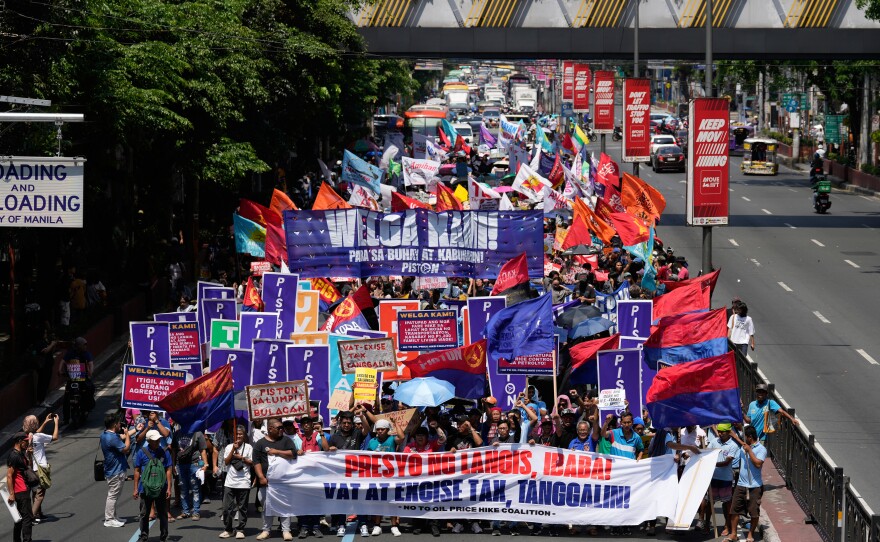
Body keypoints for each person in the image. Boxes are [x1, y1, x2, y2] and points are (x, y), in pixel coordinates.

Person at [254, 418, 298, 541]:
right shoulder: (260, 443)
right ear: (270, 429)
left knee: (284, 506)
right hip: (266, 483)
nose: (281, 430)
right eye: (278, 428)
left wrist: (277, 452)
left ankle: (286, 530)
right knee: (267, 507)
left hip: (283, 482)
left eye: (281, 428)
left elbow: (293, 454)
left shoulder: (286, 440)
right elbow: (256, 462)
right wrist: (261, 477)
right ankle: (266, 530)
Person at [327, 411, 368, 537]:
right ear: (340, 423)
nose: (346, 425)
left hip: (356, 473)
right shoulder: (334, 437)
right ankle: (341, 524)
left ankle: (363, 524)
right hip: (340, 474)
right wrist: (331, 449)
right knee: (341, 499)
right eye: (344, 422)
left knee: (360, 499)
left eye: (349, 423)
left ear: (352, 424)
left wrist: (362, 416)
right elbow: (327, 455)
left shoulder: (357, 433)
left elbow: (367, 429)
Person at [726, 426, 766, 542]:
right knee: (734, 510)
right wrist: (734, 437)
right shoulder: (744, 447)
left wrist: (749, 451)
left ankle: (750, 534)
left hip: (754, 486)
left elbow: (758, 464)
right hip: (741, 485)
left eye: (745, 438)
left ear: (750, 437)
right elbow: (743, 444)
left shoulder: (761, 449)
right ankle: (733, 534)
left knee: (754, 512)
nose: (744, 440)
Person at [699, 423, 740, 534]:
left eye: (723, 432)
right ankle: (707, 525)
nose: (720, 434)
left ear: (728, 432)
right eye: (719, 432)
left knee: (727, 503)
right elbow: (706, 454)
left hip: (725, 479)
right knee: (709, 503)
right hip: (713, 477)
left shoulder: (733, 445)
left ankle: (727, 526)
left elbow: (727, 462)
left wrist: (712, 463)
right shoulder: (714, 442)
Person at [133, 430, 172, 542]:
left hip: (161, 488)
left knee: (163, 513)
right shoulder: (141, 453)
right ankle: (144, 536)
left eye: (158, 439)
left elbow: (168, 470)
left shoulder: (165, 452)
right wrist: (135, 489)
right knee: (144, 514)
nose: (158, 441)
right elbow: (137, 470)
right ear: (149, 441)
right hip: (145, 489)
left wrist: (169, 488)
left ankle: (163, 536)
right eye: (155, 440)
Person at [24, 413, 59, 522]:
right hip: (41, 468)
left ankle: (39, 513)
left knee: (35, 491)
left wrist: (45, 422)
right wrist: (56, 422)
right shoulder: (39, 436)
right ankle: (32, 517)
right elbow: (55, 437)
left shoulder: (28, 436)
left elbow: (36, 433)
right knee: (40, 494)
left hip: (32, 468)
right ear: (35, 424)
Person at [219, 425, 253, 539]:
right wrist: (233, 449)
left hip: (244, 482)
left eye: (240, 434)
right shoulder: (229, 447)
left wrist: (241, 457)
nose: (238, 436)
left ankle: (240, 529)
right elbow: (227, 462)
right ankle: (228, 529)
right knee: (226, 508)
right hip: (230, 482)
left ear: (244, 435)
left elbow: (251, 462)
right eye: (236, 434)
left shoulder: (248, 447)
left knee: (242, 508)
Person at [297, 417, 328, 539]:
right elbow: (294, 452)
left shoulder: (318, 436)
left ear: (312, 424)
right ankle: (304, 527)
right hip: (303, 476)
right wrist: (297, 451)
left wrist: (321, 432)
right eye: (303, 423)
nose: (306, 425)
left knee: (316, 501)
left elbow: (325, 448)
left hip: (317, 475)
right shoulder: (299, 438)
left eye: (308, 423)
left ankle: (316, 527)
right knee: (304, 502)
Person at [101, 412, 131, 528]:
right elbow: (126, 448)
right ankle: (109, 519)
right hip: (115, 471)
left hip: (112, 470)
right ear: (114, 425)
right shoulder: (112, 438)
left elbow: (121, 437)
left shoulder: (105, 434)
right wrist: (128, 435)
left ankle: (113, 516)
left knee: (114, 495)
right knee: (113, 495)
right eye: (118, 423)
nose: (120, 425)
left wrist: (134, 431)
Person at [171, 428, 208, 520]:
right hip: (180, 464)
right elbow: (174, 451)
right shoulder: (177, 434)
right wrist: (173, 464)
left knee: (195, 488)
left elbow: (203, 450)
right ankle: (185, 511)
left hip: (194, 463)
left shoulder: (198, 433)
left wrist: (205, 464)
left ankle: (196, 512)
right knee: (183, 488)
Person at [59, 336, 95, 425]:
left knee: (90, 389)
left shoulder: (86, 354)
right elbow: (63, 361)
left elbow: (91, 363)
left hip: (83, 378)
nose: (86, 346)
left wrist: (90, 371)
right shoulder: (70, 353)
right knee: (66, 397)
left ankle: (86, 408)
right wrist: (60, 370)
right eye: (84, 345)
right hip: (72, 379)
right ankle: (66, 419)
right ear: (79, 345)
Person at [7, 432, 35, 542]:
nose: (27, 443)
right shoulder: (14, 456)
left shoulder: (21, 453)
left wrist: (30, 455)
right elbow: (9, 475)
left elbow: (28, 468)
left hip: (23, 490)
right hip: (21, 491)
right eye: (26, 441)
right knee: (27, 518)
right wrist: (12, 494)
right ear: (19, 441)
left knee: (19, 519)